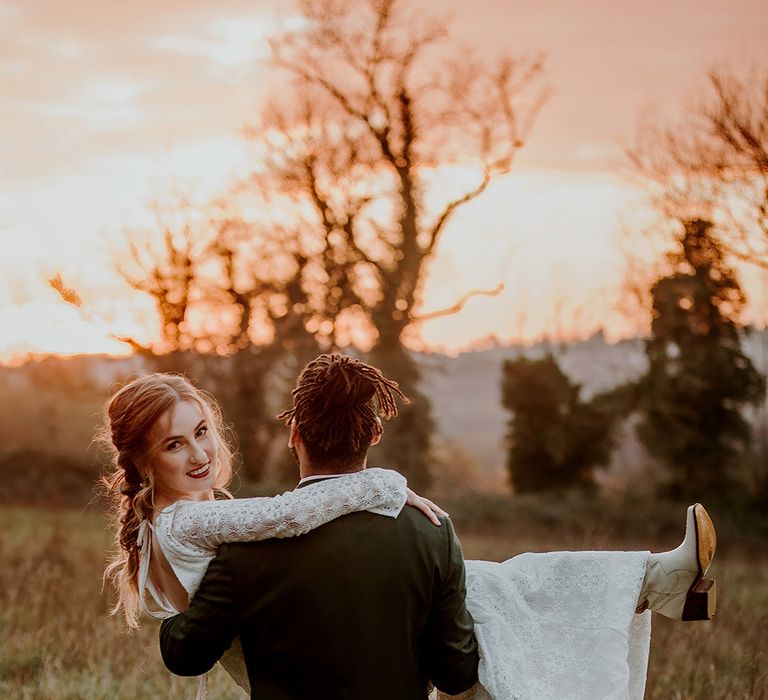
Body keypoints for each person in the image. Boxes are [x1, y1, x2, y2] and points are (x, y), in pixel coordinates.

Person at [102, 355, 717, 700]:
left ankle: (653, 577)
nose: (198, 453)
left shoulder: (238, 550)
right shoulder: (424, 530)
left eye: (202, 431)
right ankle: (648, 579)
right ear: (374, 434)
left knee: (501, 583)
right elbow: (453, 675)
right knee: (507, 585)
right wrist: (392, 488)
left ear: (294, 434)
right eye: (176, 444)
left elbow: (188, 644)